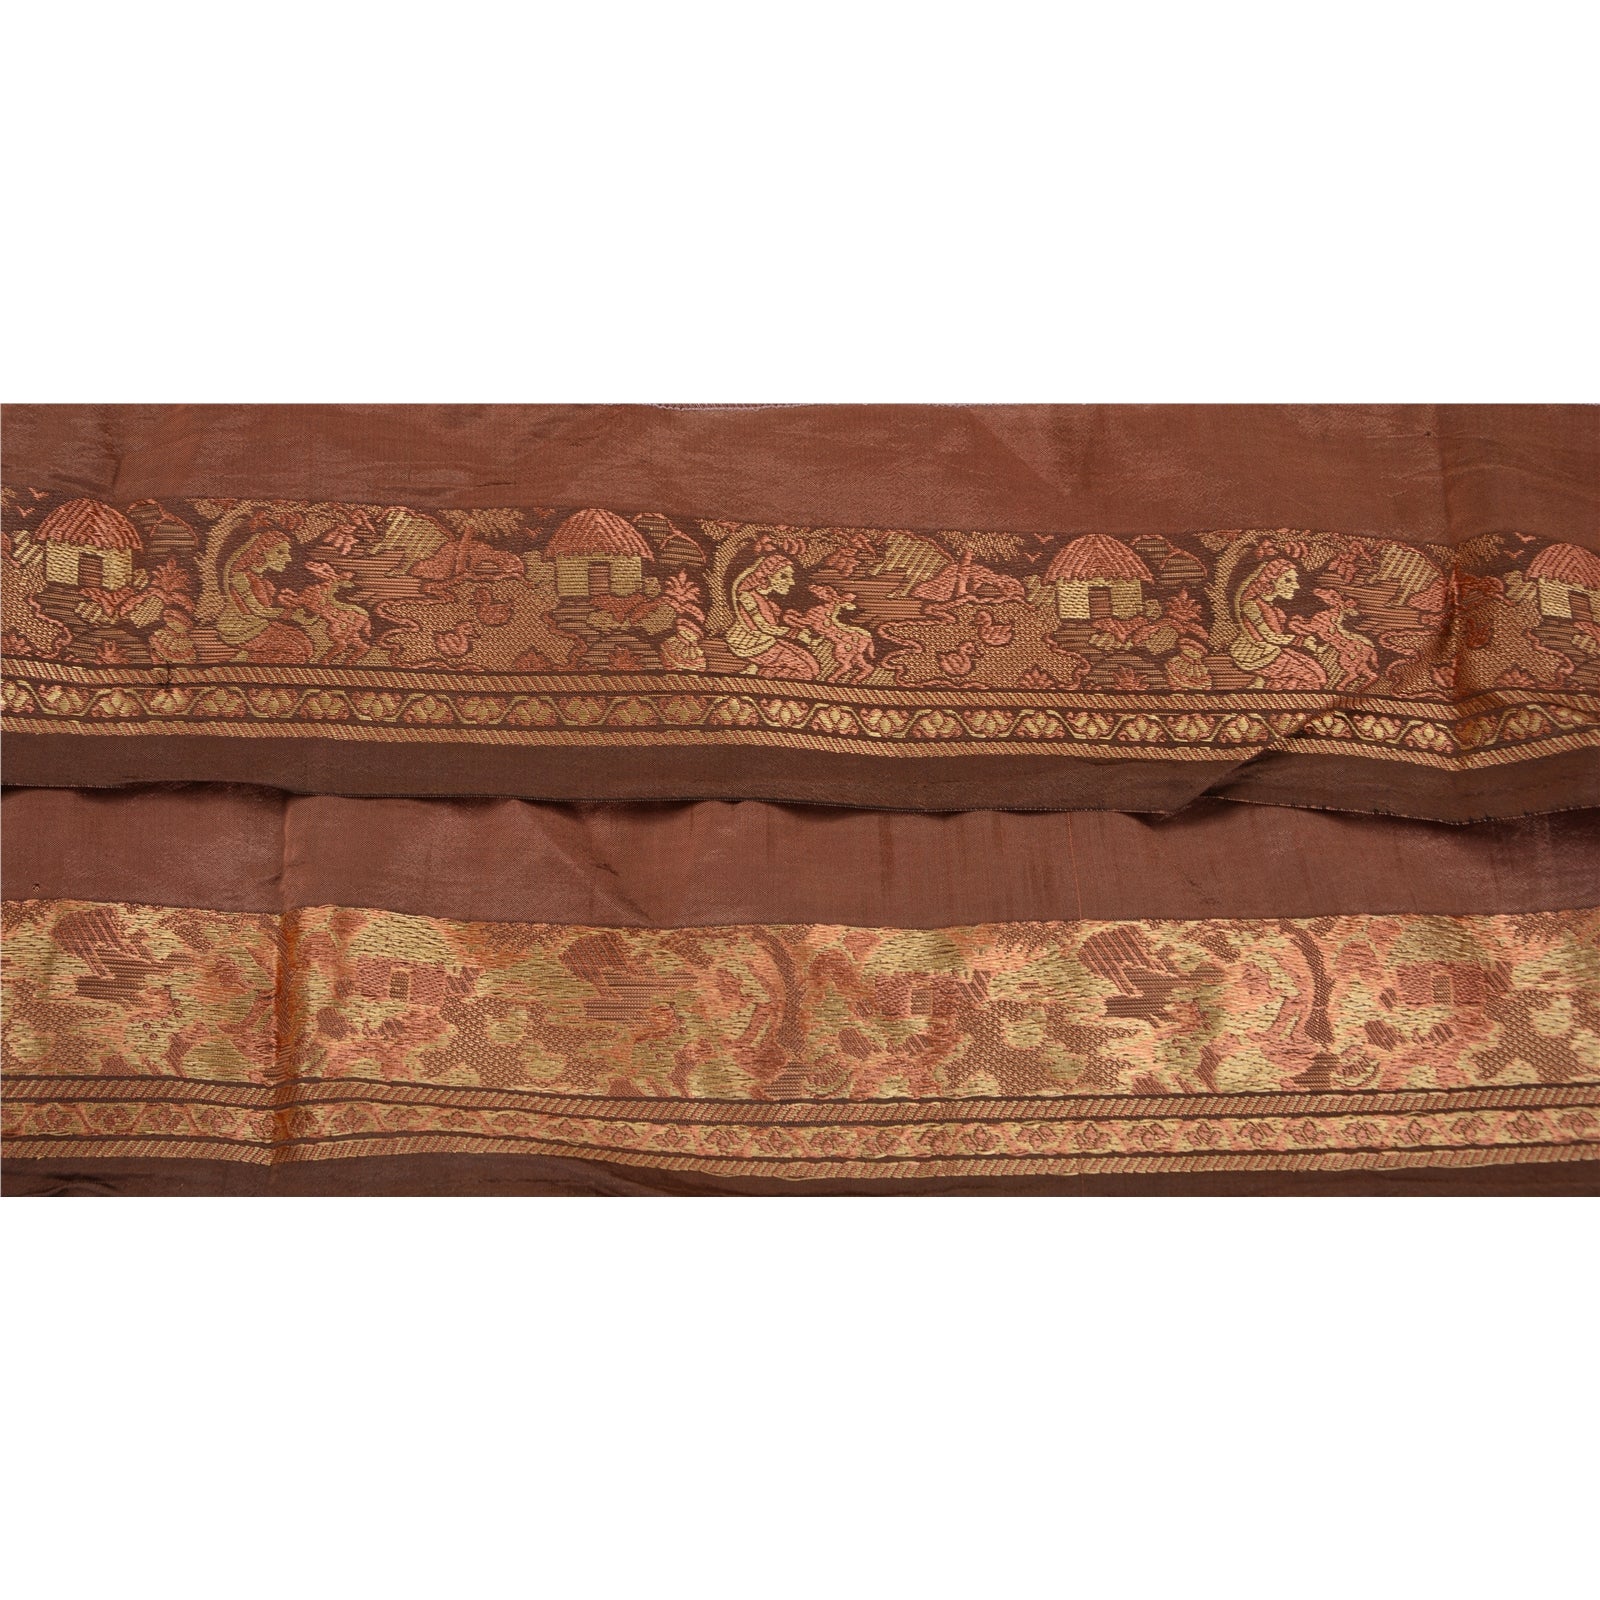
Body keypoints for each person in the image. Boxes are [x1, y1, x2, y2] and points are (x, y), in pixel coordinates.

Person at [215, 528, 314, 663]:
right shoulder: (240, 578)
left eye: (287, 552)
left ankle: (246, 660)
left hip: (259, 624)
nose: (288, 558)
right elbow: (258, 610)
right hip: (240, 629)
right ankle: (246, 665)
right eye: (280, 552)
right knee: (297, 650)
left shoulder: (262, 580)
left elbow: (264, 607)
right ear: (262, 551)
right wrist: (292, 615)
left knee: (306, 646)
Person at [1227, 558, 1326, 689]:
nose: (1296, 586)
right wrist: (1302, 641)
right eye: (1288, 580)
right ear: (1271, 581)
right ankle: (1267, 692)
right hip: (1256, 655)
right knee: (1312, 678)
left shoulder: (1273, 608)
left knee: (1320, 674)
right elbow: (1270, 637)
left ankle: (1261, 685)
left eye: (1294, 580)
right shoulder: (1251, 606)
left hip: (1273, 650)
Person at [725, 554, 821, 678]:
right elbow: (764, 627)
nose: (791, 582)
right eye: (783, 576)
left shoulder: (765, 599)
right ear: (766, 576)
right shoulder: (747, 597)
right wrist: (797, 635)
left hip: (767, 640)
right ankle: (758, 677)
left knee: (814, 667)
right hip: (750, 644)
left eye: (790, 576)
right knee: (805, 671)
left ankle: (756, 669)